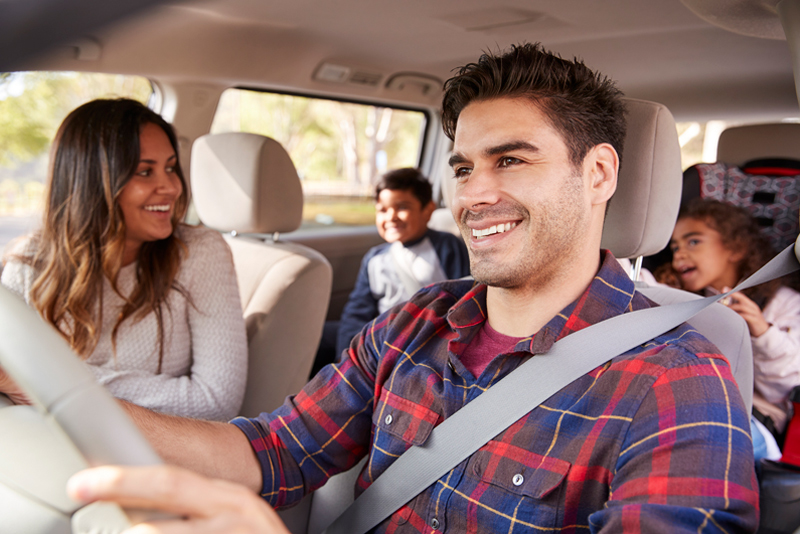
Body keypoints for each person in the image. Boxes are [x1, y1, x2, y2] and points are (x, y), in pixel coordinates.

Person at [12, 43, 758, 532]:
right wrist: (68, 403)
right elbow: (273, 451)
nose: (474, 195)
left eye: (512, 160)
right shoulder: (416, 324)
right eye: (464, 167)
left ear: (597, 175)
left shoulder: (677, 382)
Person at [0, 98, 248, 421]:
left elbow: (216, 401)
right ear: (91, 184)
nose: (172, 187)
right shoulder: (28, 266)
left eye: (171, 168)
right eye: (146, 172)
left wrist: (54, 383)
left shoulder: (199, 253)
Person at [659, 198, 800, 444]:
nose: (680, 253)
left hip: (755, 418)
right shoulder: (681, 301)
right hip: (690, 402)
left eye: (693, 241)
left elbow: (788, 386)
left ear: (735, 248)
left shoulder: (783, 302)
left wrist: (762, 333)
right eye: (675, 247)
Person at [331, 167, 469, 361]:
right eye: (383, 210)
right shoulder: (374, 258)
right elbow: (356, 312)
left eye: (402, 207)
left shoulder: (446, 246)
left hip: (429, 338)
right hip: (383, 340)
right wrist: (346, 357)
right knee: (318, 334)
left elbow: (464, 299)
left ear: (428, 210)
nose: (391, 217)